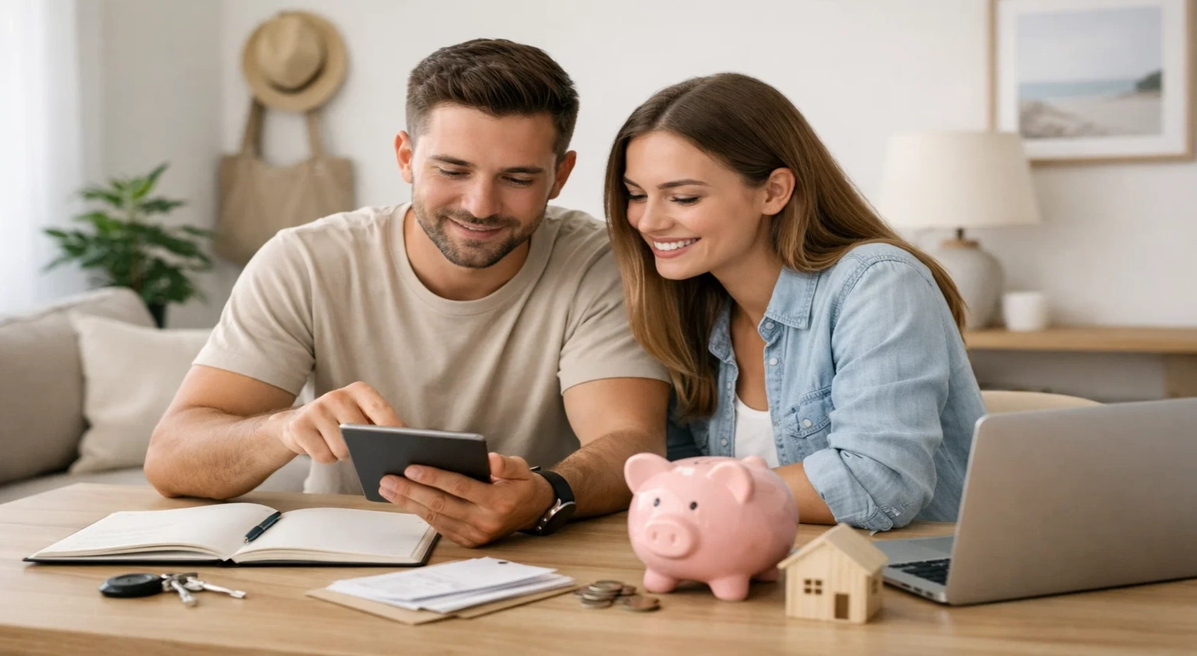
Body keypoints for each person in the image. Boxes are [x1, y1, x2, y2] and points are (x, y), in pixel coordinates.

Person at [145, 39, 671, 548]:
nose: (481, 204)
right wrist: (283, 430)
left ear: (560, 175)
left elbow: (631, 443)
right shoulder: (305, 260)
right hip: (341, 553)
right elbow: (171, 458)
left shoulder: (600, 261)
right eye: (452, 170)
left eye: (516, 178)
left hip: (531, 552)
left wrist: (545, 495)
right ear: (405, 157)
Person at [603, 73, 985, 531]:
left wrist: (702, 491)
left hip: (897, 580)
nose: (648, 221)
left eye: (683, 197)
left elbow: (879, 485)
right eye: (635, 195)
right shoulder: (687, 307)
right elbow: (674, 470)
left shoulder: (877, 284)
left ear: (773, 191)